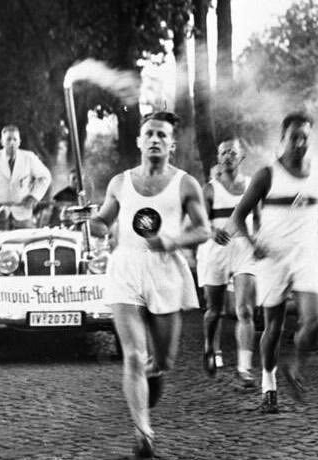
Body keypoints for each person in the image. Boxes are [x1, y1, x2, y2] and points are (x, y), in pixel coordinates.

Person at [89, 111, 209, 458]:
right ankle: (143, 431)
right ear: (139, 141)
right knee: (133, 355)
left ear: (172, 144)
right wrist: (93, 222)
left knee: (164, 360)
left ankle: (153, 376)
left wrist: (171, 241)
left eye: (162, 135)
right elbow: (103, 221)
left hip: (165, 269)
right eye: (149, 134)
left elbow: (203, 230)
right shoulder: (120, 182)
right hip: (126, 266)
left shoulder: (185, 184)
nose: (155, 139)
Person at [226, 111, 318, 414]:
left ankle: (295, 368)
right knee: (274, 326)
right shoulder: (267, 175)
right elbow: (237, 217)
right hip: (273, 254)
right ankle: (268, 385)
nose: (299, 143)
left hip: (307, 252)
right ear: (283, 138)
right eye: (293, 137)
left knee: (315, 321)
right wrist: (252, 243)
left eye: (304, 137)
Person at [200, 138, 260, 388]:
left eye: (232, 153)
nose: (227, 157)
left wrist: (257, 241)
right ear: (218, 158)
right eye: (223, 153)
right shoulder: (210, 189)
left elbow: (258, 219)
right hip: (216, 248)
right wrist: (212, 231)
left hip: (243, 248)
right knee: (215, 310)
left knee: (244, 310)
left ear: (241, 157)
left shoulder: (251, 186)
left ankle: (244, 368)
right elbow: (199, 222)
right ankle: (209, 347)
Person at [0, 125, 51, 230]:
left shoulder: (29, 158)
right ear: (2, 142)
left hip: (23, 212)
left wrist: (34, 196)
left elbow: (45, 176)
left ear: (19, 142)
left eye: (15, 139)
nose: (12, 143)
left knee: (26, 239)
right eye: (8, 139)